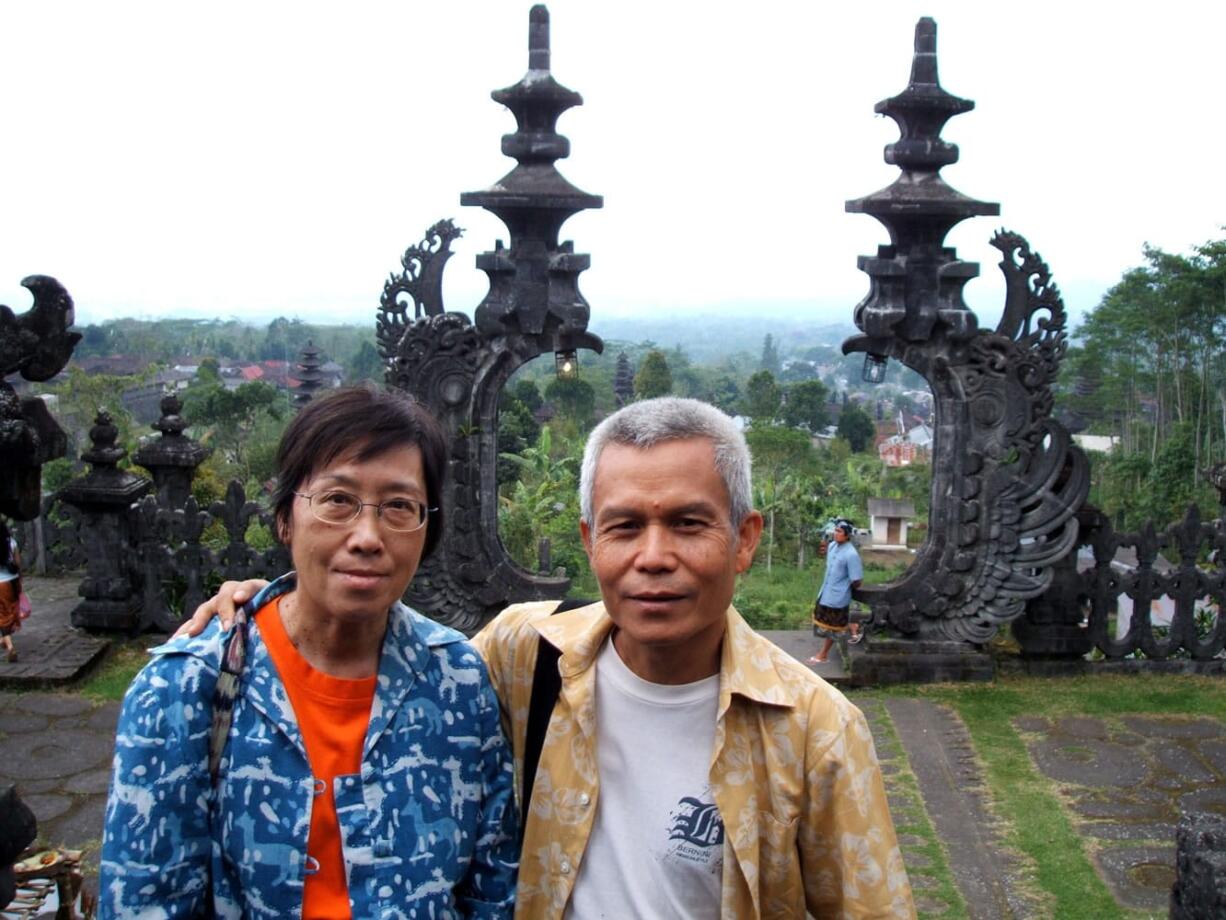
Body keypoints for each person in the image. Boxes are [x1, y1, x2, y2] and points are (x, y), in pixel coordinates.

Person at [186, 396, 915, 919]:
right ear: (589, 537)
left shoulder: (815, 729)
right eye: (624, 526)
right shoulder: (522, 653)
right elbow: (385, 662)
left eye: (689, 524)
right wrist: (272, 599)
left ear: (745, 538)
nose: (653, 558)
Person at [100, 386, 517, 917]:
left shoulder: (457, 681)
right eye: (337, 500)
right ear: (284, 516)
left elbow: (493, 888)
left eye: (399, 506)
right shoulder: (183, 692)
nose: (367, 536)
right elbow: (143, 902)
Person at [809, 519, 865, 664]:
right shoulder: (833, 546)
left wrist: (845, 589)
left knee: (834, 628)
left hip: (838, 597)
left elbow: (857, 580)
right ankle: (853, 627)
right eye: (835, 530)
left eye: (839, 531)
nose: (835, 533)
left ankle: (823, 655)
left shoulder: (851, 554)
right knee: (826, 623)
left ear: (847, 535)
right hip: (826, 592)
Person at [0, 521, 23, 663]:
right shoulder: (12, 543)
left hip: (0, 585)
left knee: (2, 616)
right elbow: (18, 564)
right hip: (13, 582)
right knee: (10, 611)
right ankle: (3, 638)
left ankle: (10, 646)